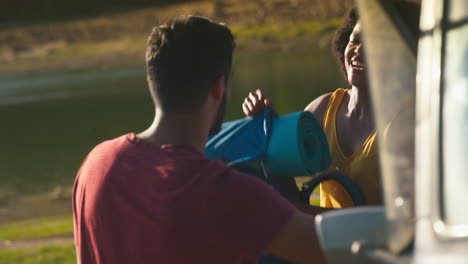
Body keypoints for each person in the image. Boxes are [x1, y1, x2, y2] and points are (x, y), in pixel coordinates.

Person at [72, 16, 326, 264]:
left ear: (152, 81)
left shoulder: (97, 163)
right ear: (219, 87)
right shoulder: (216, 187)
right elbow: (333, 245)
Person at [243, 8, 380, 208]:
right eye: (355, 40)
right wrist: (269, 130)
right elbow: (286, 190)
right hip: (328, 236)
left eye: (372, 43)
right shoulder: (322, 109)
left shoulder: (405, 120)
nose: (359, 50)